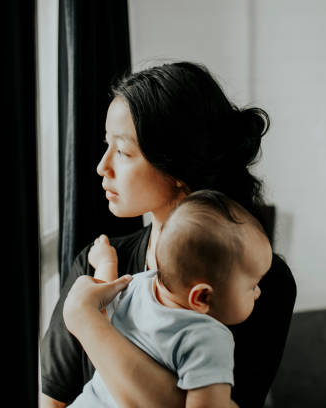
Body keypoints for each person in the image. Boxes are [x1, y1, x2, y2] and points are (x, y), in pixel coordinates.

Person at [40, 61, 297, 408]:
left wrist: (86, 320)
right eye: (106, 146)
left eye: (122, 151)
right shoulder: (95, 263)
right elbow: (53, 402)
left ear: (175, 166)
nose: (102, 166)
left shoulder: (256, 282)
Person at [67, 190, 273, 407]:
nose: (258, 292)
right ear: (202, 297)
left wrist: (106, 264)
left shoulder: (139, 283)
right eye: (252, 285)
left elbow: (101, 304)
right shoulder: (208, 338)